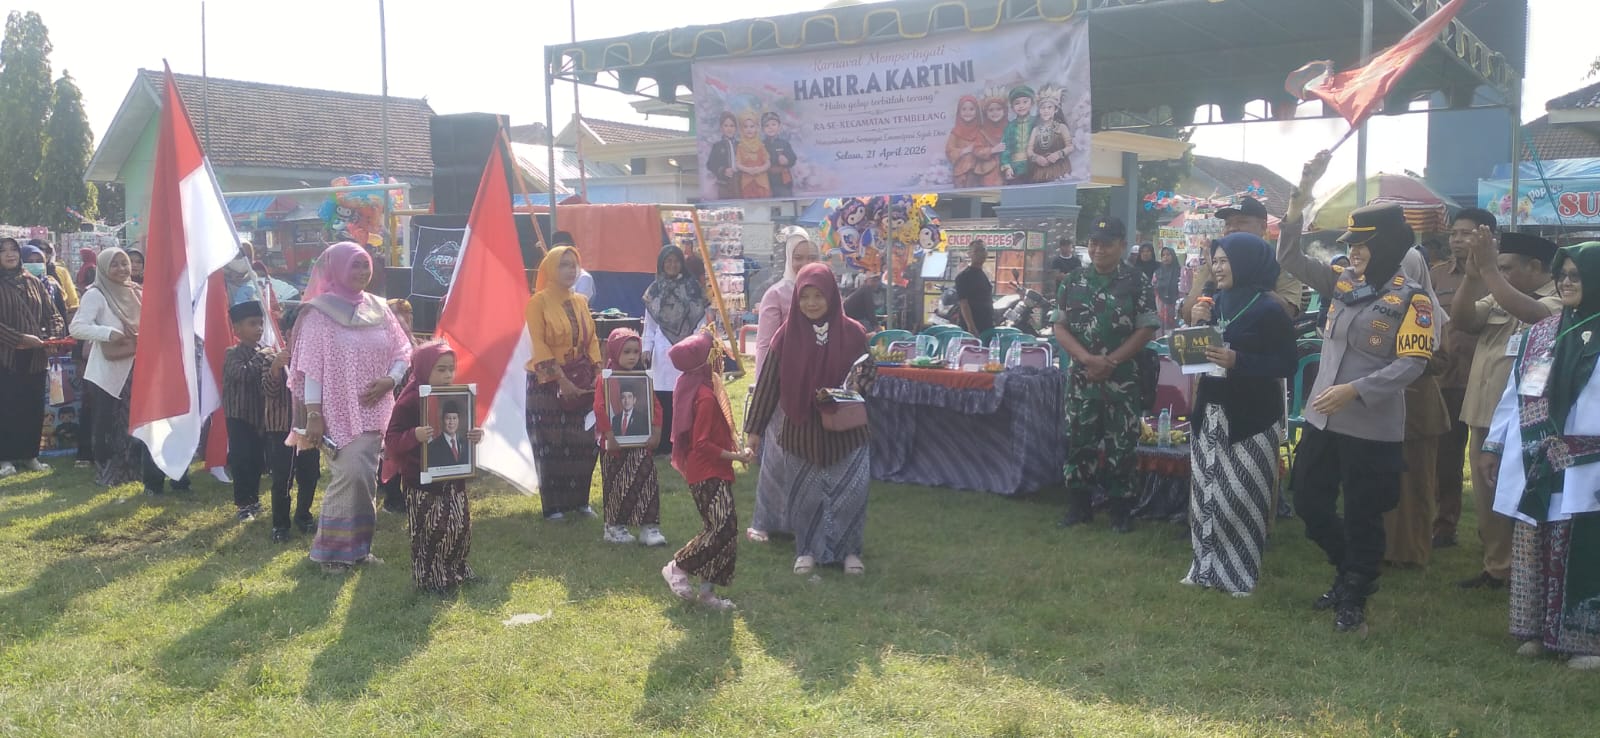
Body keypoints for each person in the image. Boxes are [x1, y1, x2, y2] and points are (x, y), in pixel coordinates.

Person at [1277, 151, 1434, 633]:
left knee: (1365, 513)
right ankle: (1351, 571)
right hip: (1323, 419)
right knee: (1309, 502)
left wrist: (1356, 390)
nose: (1355, 253)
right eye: (1352, 246)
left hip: (1370, 424)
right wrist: (1299, 199)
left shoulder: (1413, 299)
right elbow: (1288, 257)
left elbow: (1413, 363)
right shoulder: (1343, 282)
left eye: (1363, 246)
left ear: (1387, 245)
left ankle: (1354, 597)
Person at [1479, 241, 1600, 671]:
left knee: (1583, 546)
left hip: (1589, 463)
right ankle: (1538, 632)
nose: (1566, 282)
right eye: (1561, 275)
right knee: (1539, 540)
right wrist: (1493, 444)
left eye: (1576, 275)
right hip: (1538, 457)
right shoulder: (1543, 332)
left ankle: (1586, 641)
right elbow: (1514, 393)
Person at [1451, 226, 1563, 590]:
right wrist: (1472, 278)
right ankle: (1497, 567)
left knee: (1526, 493)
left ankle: (1533, 571)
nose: (1499, 272)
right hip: (1485, 411)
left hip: (1530, 419)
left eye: (1507, 267)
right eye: (1498, 266)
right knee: (1488, 496)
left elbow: (1537, 316)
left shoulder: (1559, 296)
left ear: (1536, 266)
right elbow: (1463, 320)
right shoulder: (1496, 291)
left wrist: (1488, 272)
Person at [1183, 233, 1296, 596]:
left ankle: (1239, 575)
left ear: (1246, 262)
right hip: (1210, 410)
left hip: (1251, 417)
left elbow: (1287, 363)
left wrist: (1239, 360)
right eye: (1214, 261)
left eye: (1225, 261)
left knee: (1241, 496)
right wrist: (1195, 326)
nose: (1217, 268)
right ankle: (1203, 568)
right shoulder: (1212, 303)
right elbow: (1194, 359)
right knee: (1205, 492)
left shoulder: (1269, 309)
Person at [291, 242, 414, 573]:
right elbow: (311, 367)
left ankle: (358, 550)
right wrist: (314, 415)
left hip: (376, 407)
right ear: (337, 269)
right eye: (354, 266)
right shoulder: (319, 313)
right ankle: (331, 554)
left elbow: (402, 350)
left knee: (365, 479)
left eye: (365, 265)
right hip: (337, 410)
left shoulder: (379, 308)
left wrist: (390, 380)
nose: (361, 272)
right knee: (350, 475)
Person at [746, 263, 875, 575]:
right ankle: (807, 550)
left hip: (846, 431)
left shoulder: (853, 333)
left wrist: (855, 386)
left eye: (819, 296)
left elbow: (868, 370)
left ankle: (849, 552)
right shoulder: (785, 336)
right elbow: (768, 384)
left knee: (850, 492)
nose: (812, 303)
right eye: (805, 297)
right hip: (801, 429)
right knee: (805, 494)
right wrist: (754, 431)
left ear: (832, 296)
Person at [1055, 216, 1161, 533]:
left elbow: (1147, 328)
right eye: (1093, 243)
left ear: (1122, 246)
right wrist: (1087, 359)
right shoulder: (1072, 280)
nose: (1098, 250)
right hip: (1082, 379)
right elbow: (1059, 326)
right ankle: (1079, 508)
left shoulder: (1137, 281)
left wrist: (1111, 361)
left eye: (1106, 244)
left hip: (1122, 379)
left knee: (1122, 448)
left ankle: (1121, 511)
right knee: (1079, 443)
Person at [379, 341, 481, 593]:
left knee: (460, 526)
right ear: (424, 369)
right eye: (441, 369)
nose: (448, 375)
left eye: (451, 369)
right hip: (422, 482)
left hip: (454, 477)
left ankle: (457, 570)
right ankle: (431, 578)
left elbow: (461, 429)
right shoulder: (411, 400)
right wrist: (414, 435)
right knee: (433, 530)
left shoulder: (456, 396)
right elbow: (391, 440)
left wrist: (473, 435)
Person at [661, 331, 749, 610]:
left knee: (722, 529)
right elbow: (702, 444)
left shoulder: (694, 386)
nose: (721, 360)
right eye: (718, 355)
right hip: (707, 472)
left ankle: (708, 593)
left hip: (707, 471)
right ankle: (678, 567)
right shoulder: (705, 396)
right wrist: (736, 455)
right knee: (723, 527)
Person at [749, 232, 822, 542]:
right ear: (789, 259)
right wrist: (764, 389)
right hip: (781, 387)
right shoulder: (776, 294)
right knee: (777, 457)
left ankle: (802, 519)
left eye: (811, 257)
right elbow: (765, 345)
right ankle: (767, 522)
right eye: (798, 257)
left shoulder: (825, 292)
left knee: (808, 455)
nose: (805, 263)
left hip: (815, 388)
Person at [1383, 249, 1452, 570]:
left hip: (1417, 407)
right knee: (1383, 479)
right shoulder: (1378, 304)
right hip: (1380, 405)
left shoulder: (1429, 309)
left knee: (1416, 482)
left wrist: (1407, 356)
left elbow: (1440, 360)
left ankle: (1412, 552)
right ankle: (1383, 547)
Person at [524, 245, 603, 520]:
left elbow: (591, 339)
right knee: (552, 443)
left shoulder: (581, 301)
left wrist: (597, 369)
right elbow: (538, 343)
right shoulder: (538, 302)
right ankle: (554, 505)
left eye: (574, 264)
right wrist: (561, 379)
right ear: (549, 269)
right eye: (564, 265)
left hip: (582, 379)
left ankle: (580, 501)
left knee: (584, 440)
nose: (571, 270)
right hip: (546, 383)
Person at [1429, 210, 1489, 549]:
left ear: (1487, 236)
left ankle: (1491, 531)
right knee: (1445, 459)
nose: (1457, 240)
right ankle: (1444, 526)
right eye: (1454, 233)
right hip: (1448, 379)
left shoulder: (1500, 276)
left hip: (1487, 381)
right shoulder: (1437, 275)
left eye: (1466, 233)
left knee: (1488, 461)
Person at [69, 247, 143, 487]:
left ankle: (134, 471)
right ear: (102, 268)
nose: (122, 269)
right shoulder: (96, 294)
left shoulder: (137, 291)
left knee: (133, 421)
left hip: (137, 366)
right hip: (108, 371)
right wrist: (107, 333)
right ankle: (109, 473)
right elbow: (77, 327)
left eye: (125, 263)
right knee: (108, 423)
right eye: (115, 264)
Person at [594, 328, 666, 546]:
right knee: (617, 485)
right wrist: (610, 436)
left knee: (647, 480)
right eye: (626, 352)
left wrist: (656, 433)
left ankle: (649, 527)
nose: (632, 356)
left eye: (636, 351)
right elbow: (600, 408)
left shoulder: (642, 379)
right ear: (615, 352)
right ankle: (614, 527)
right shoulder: (606, 379)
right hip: (614, 447)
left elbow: (656, 407)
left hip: (640, 444)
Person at [1181, 197, 1306, 322]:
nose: (1232, 228)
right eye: (1228, 224)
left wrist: (1248, 281)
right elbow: (1188, 316)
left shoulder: (1279, 262)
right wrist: (1212, 275)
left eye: (1241, 222)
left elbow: (1288, 313)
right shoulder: (1215, 263)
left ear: (1263, 227)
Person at [0, 237, 64, 478]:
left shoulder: (33, 281)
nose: (10, 254)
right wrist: (19, 338)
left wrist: (54, 338)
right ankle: (4, 458)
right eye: (3, 251)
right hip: (6, 357)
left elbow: (54, 315)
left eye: (13, 250)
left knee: (32, 406)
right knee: (6, 407)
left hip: (35, 356)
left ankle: (29, 454)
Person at [642, 244, 711, 456]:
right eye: (668, 261)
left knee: (684, 396)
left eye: (676, 261)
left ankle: (683, 443)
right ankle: (663, 444)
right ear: (661, 264)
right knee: (662, 397)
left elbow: (701, 320)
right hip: (661, 351)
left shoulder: (693, 288)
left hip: (686, 350)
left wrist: (695, 344)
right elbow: (649, 326)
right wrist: (646, 348)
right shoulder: (654, 291)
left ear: (682, 263)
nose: (672, 265)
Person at [263, 304, 319, 543]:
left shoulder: (315, 359)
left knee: (310, 474)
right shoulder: (272, 357)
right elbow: (268, 390)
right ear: (287, 333)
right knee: (282, 478)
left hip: (308, 427)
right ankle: (280, 524)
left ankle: (304, 515)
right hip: (281, 429)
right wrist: (276, 368)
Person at [222, 300, 275, 522]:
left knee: (256, 461)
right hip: (239, 418)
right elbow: (242, 375)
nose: (259, 328)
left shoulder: (263, 352)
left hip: (259, 418)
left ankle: (254, 500)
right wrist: (262, 356)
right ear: (237, 329)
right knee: (241, 461)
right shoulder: (232, 354)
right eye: (252, 324)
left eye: (260, 323)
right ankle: (243, 504)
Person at [946, 95, 996, 189]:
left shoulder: (982, 130)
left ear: (977, 111)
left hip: (981, 171)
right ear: (959, 112)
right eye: (964, 109)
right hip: (961, 172)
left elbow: (989, 147)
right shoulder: (956, 132)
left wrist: (981, 150)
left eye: (971, 109)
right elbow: (949, 151)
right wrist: (964, 151)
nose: (967, 112)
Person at [1028, 87, 1073, 183]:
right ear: (1039, 110)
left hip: (1060, 168)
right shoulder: (1036, 130)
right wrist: (1036, 158)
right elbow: (1029, 150)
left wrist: (1058, 154)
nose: (1046, 111)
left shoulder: (1061, 127)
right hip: (1040, 171)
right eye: (1043, 108)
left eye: (1049, 107)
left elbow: (1070, 147)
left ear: (1055, 110)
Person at [21, 245, 69, 328]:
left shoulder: (51, 285)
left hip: (49, 331)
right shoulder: (16, 286)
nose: (35, 264)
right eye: (30, 261)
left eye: (39, 261)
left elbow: (61, 312)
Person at [955, 239, 994, 337]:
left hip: (987, 325)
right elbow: (964, 304)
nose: (981, 253)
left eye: (983, 250)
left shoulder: (985, 274)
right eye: (977, 251)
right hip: (972, 328)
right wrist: (971, 327)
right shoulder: (963, 277)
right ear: (969, 254)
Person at [30, 240, 79, 315]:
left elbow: (73, 302)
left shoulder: (60, 272)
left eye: (48, 251)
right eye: (40, 249)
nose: (45, 253)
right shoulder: (19, 277)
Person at [1001, 86, 1036, 182]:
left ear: (1032, 103)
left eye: (1025, 102)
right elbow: (1005, 148)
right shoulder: (1010, 126)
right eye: (1017, 103)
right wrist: (1007, 167)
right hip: (1015, 168)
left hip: (1035, 166)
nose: (1021, 106)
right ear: (1012, 107)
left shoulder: (1036, 122)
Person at [734, 110, 772, 199]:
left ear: (756, 128)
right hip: (747, 181)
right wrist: (748, 170)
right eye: (746, 127)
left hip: (762, 181)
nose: (749, 129)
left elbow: (768, 162)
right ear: (741, 129)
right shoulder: (740, 146)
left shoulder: (761, 145)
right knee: (749, 203)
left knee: (763, 203)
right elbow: (737, 163)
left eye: (752, 126)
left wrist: (760, 169)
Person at [424, 402, 471, 468]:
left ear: (458, 420)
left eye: (454, 418)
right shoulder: (432, 447)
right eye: (448, 418)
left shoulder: (466, 444)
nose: (451, 422)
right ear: (442, 420)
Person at [706, 111, 738, 200]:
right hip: (724, 184)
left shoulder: (740, 145)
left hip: (739, 182)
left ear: (735, 128)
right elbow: (710, 164)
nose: (729, 128)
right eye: (726, 126)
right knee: (726, 205)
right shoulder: (718, 146)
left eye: (732, 126)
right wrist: (724, 170)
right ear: (721, 128)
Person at [762, 112, 796, 197]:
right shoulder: (761, 145)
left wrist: (787, 160)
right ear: (762, 129)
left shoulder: (784, 143)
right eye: (767, 125)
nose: (770, 128)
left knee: (785, 201)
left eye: (773, 124)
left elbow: (793, 158)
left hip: (782, 181)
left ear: (779, 127)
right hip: (766, 180)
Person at [1155, 246, 1182, 328]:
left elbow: (1183, 290)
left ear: (1173, 256)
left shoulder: (1180, 271)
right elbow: (1154, 289)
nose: (1165, 257)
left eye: (1168, 254)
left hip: (1176, 306)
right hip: (1161, 306)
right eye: (1163, 255)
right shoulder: (1157, 273)